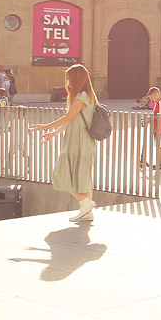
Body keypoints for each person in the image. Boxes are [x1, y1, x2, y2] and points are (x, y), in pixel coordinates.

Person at [29, 63, 98, 222]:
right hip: (83, 139)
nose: (67, 82)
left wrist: (44, 126)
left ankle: (85, 203)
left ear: (75, 79)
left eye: (68, 79)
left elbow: (68, 118)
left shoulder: (81, 96)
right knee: (83, 177)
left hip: (78, 140)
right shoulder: (88, 95)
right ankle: (87, 212)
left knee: (60, 174)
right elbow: (71, 121)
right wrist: (54, 133)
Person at [141, 87, 161, 168]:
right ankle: (160, 162)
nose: (151, 99)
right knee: (158, 145)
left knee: (160, 145)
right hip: (156, 127)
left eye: (152, 97)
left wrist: (150, 118)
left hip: (160, 127)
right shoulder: (157, 103)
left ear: (156, 94)